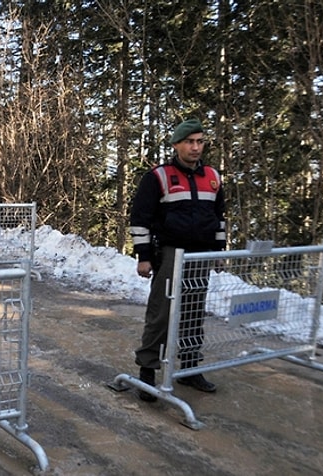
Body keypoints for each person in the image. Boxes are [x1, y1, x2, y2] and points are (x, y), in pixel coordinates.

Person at [129, 118, 226, 402]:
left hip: (201, 254)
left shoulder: (212, 177)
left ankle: (190, 367)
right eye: (189, 142)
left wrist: (219, 251)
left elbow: (219, 218)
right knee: (161, 312)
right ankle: (147, 370)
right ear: (176, 145)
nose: (196, 147)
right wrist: (144, 257)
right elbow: (140, 219)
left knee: (195, 311)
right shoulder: (158, 176)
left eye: (200, 141)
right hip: (170, 253)